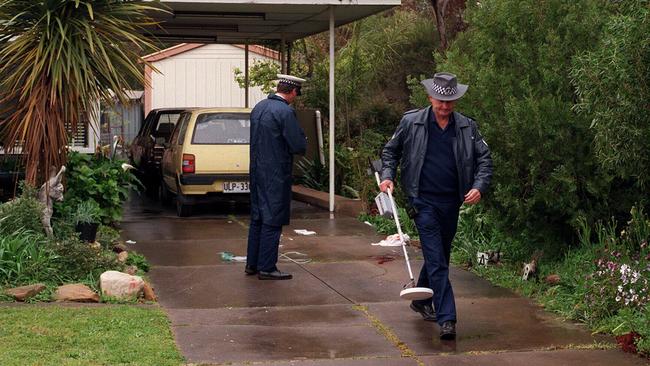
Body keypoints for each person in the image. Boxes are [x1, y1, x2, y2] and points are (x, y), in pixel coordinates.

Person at [380, 72, 493, 339]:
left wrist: (479, 186)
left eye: (450, 102)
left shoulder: (467, 127)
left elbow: (485, 160)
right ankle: (447, 318)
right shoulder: (412, 122)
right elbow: (390, 151)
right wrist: (387, 176)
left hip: (452, 201)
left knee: (439, 254)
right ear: (430, 97)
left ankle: (420, 300)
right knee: (437, 259)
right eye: (440, 102)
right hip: (422, 201)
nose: (445, 107)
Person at [246, 74, 307, 280]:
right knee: (273, 218)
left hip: (256, 170)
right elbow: (297, 145)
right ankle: (267, 267)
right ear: (292, 92)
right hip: (275, 172)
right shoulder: (285, 111)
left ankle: (252, 264)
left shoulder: (259, 107)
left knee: (258, 217)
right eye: (296, 94)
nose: (295, 98)